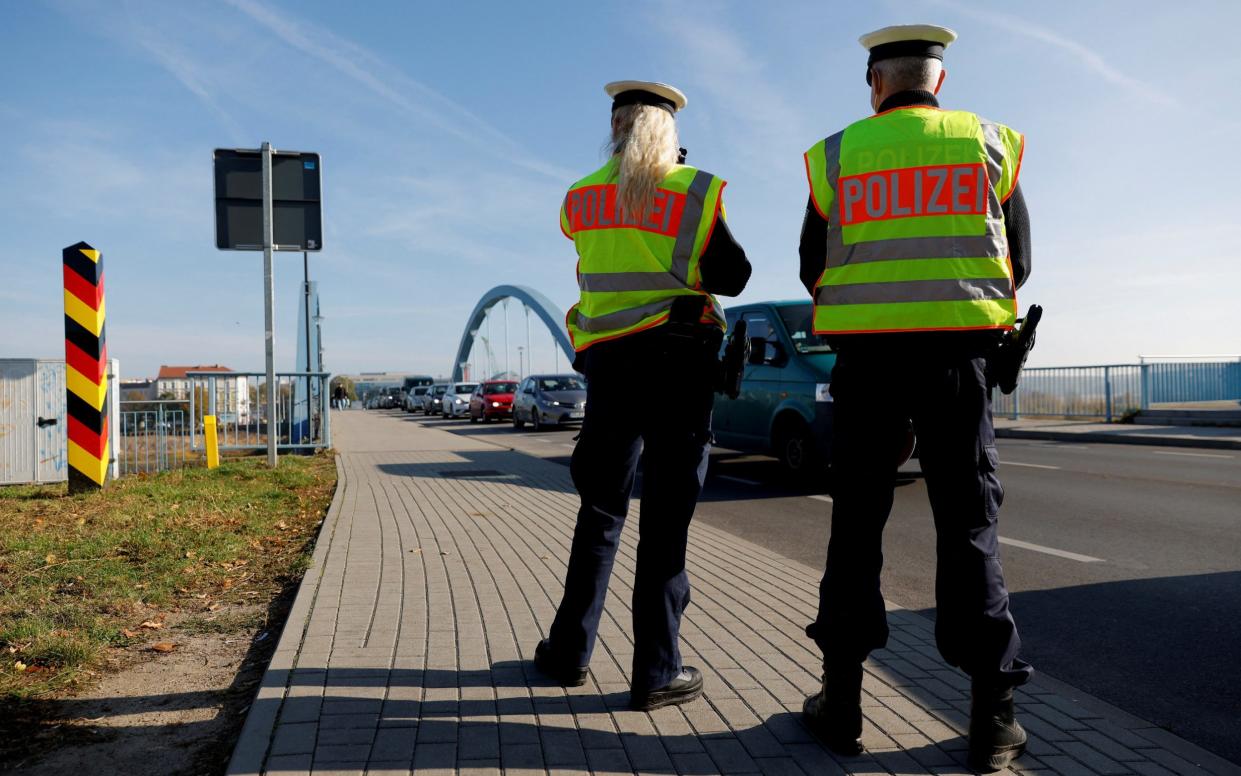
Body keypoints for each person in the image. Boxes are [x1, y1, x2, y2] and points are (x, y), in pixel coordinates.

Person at [798, 25, 1033, 770]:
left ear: (875, 84)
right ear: (939, 83)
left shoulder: (836, 155)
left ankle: (840, 706)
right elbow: (1017, 260)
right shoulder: (986, 141)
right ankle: (992, 719)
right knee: (968, 527)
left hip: (866, 366)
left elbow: (812, 267)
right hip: (957, 361)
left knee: (855, 529)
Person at [533, 80, 751, 711]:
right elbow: (733, 276)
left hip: (610, 369)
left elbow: (592, 266)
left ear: (616, 127)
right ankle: (656, 671)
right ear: (668, 135)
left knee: (600, 512)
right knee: (664, 522)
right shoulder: (691, 191)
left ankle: (569, 652)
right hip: (679, 367)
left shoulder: (582, 197)